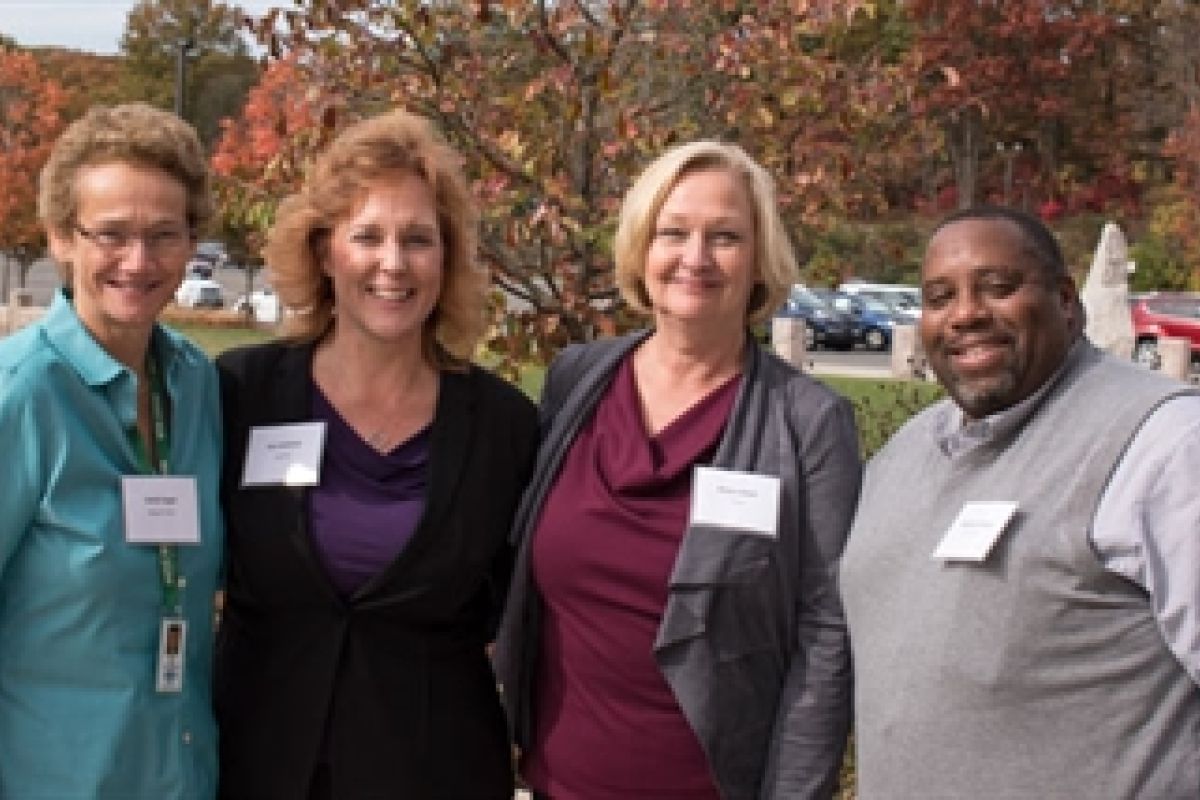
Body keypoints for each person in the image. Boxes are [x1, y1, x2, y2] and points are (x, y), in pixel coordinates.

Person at [493, 140, 861, 800]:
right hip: (555, 783)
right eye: (673, 233)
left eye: (725, 236)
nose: (695, 258)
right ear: (641, 249)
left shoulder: (808, 422)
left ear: (759, 262)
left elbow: (827, 637)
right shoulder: (577, 382)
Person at [215, 110, 538, 799]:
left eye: (418, 240)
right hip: (257, 760)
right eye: (367, 236)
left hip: (435, 768)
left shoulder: (504, 427)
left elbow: (528, 603)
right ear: (325, 251)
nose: (393, 263)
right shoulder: (242, 395)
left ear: (445, 260)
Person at [840, 206, 1200, 798]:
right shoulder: (901, 457)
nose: (966, 315)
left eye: (998, 288)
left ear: (1066, 301)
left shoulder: (1164, 447)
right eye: (939, 297)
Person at [0, 103, 223, 797]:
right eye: (112, 235)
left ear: (193, 243)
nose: (139, 261)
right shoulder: (22, 395)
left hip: (181, 774)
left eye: (164, 234)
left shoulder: (195, 383)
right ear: (62, 239)